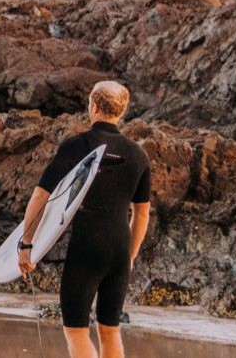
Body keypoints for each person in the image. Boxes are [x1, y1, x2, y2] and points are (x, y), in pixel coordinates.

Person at [16, 81, 154, 358]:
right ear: (122, 110)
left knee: (76, 329)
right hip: (119, 248)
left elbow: (42, 196)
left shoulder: (77, 146)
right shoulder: (138, 155)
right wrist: (130, 255)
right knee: (109, 329)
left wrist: (26, 243)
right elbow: (142, 213)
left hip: (87, 244)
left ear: (93, 106)